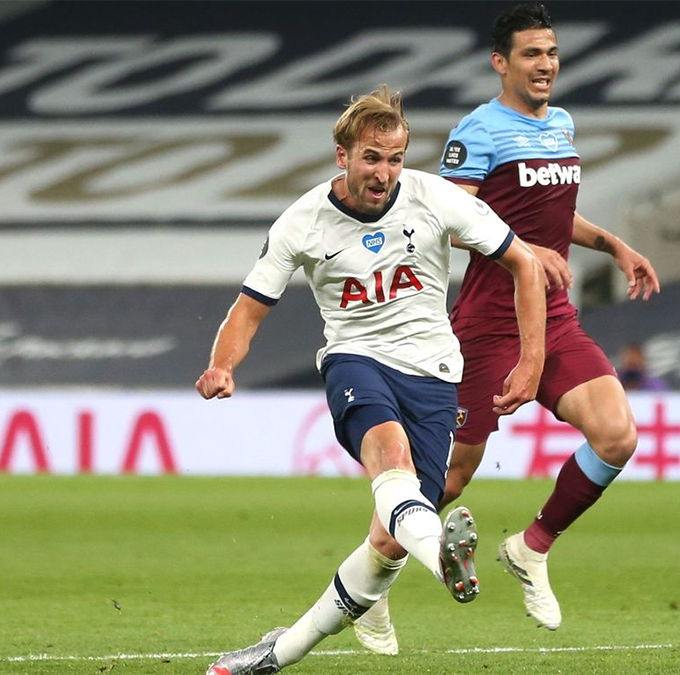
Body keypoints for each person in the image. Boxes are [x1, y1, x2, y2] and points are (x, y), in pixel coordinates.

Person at [198, 85, 546, 675]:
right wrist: (222, 364)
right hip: (355, 359)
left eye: (394, 159)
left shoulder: (435, 198)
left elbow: (525, 263)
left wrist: (532, 361)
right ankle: (444, 560)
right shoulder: (303, 222)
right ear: (343, 156)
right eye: (371, 158)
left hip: (435, 373)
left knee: (386, 546)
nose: (384, 172)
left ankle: (275, 654)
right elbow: (249, 308)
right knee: (390, 455)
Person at [352, 3, 660, 651]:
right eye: (531, 54)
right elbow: (449, 216)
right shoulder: (479, 130)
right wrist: (521, 248)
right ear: (502, 63)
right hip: (487, 328)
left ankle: (531, 547)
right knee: (446, 480)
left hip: (552, 318)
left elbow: (556, 216)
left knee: (616, 435)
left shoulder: (562, 124)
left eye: (551, 52)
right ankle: (369, 588)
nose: (545, 64)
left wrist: (613, 245)